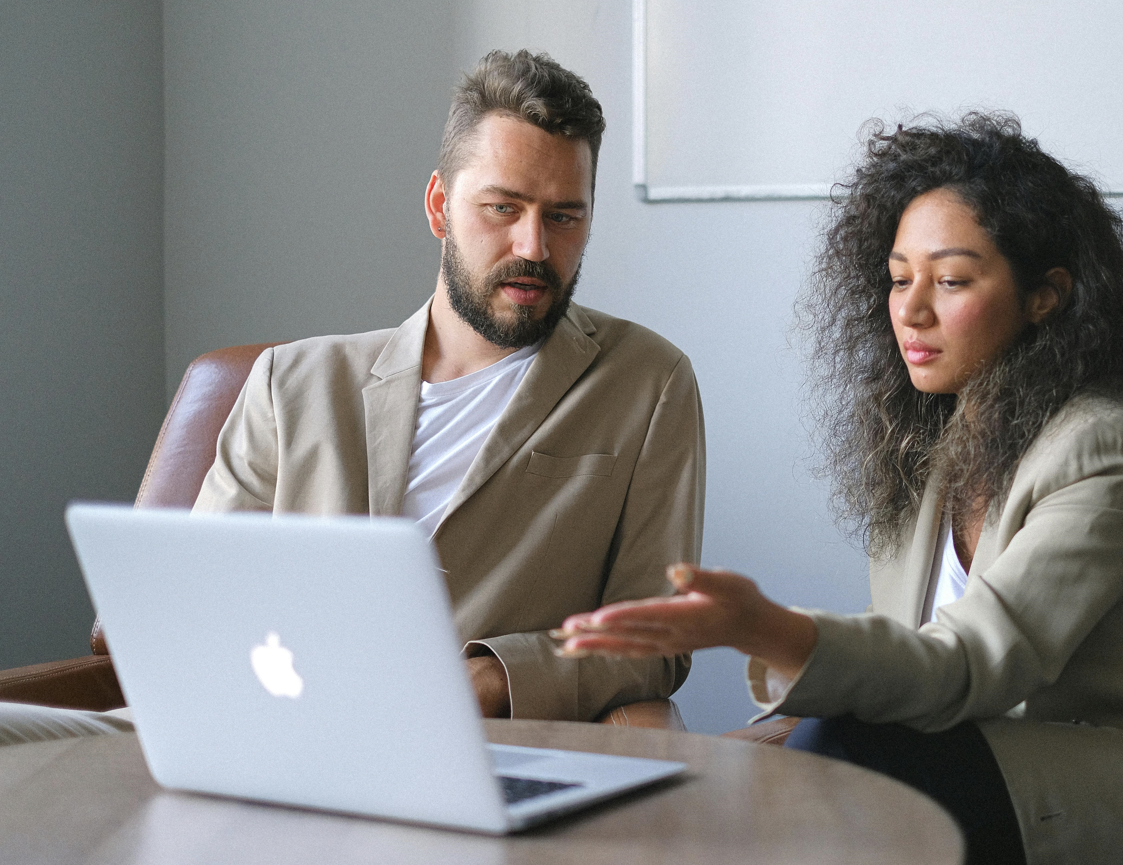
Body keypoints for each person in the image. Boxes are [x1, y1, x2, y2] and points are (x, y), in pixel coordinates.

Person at [553, 113, 1123, 863]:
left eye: (950, 281)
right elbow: (903, 669)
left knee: (855, 757)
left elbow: (972, 662)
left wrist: (766, 627)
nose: (909, 310)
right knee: (808, 758)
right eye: (896, 276)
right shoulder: (929, 447)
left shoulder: (1115, 449)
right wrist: (745, 746)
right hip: (1039, 774)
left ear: (1044, 297)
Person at [0, 49, 702, 742]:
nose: (534, 246)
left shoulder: (646, 382)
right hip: (231, 723)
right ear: (439, 206)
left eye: (564, 217)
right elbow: (195, 600)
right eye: (502, 207)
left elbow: (657, 636)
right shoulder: (291, 382)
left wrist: (489, 678)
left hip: (450, 748)